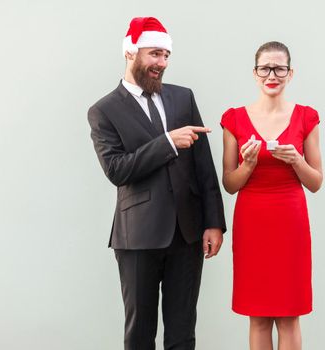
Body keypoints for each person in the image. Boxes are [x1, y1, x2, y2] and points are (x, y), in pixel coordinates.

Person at [87, 17, 226, 350]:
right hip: (137, 236)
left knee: (182, 331)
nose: (161, 63)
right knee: (140, 333)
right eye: (154, 54)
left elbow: (203, 167)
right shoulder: (103, 111)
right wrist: (166, 142)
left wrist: (214, 223)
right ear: (130, 52)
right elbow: (116, 169)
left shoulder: (183, 98)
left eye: (166, 55)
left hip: (188, 233)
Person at [220, 41, 323, 350]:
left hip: (290, 223)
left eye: (279, 68)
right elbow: (229, 183)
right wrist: (248, 164)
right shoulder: (234, 119)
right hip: (253, 223)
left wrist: (297, 160)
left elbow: (316, 182)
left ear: (290, 74)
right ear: (255, 73)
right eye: (265, 68)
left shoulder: (307, 117)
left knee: (290, 315)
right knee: (259, 316)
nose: (272, 75)